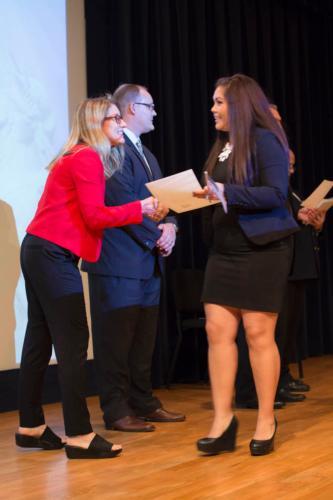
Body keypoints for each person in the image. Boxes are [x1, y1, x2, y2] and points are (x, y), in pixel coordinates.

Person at [16, 96, 164, 459]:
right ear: (97, 123)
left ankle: (30, 426)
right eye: (114, 118)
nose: (122, 123)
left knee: (40, 338)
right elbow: (96, 217)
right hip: (51, 254)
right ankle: (80, 435)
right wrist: (140, 208)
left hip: (39, 250)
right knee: (73, 342)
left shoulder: (78, 156)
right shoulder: (86, 157)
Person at [194, 74, 298, 456]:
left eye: (219, 102)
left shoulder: (266, 139)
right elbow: (221, 192)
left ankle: (266, 419)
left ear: (238, 105)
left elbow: (275, 194)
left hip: (262, 250)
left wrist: (227, 192)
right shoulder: (223, 145)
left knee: (257, 334)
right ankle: (223, 421)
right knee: (217, 331)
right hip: (225, 249)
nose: (213, 109)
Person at [81, 84, 185, 432]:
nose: (155, 111)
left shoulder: (148, 154)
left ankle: (144, 402)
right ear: (130, 110)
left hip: (147, 263)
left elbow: (164, 197)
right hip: (117, 262)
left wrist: (170, 225)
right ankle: (115, 409)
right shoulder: (110, 151)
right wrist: (156, 235)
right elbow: (118, 199)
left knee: (143, 341)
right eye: (149, 106)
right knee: (115, 341)